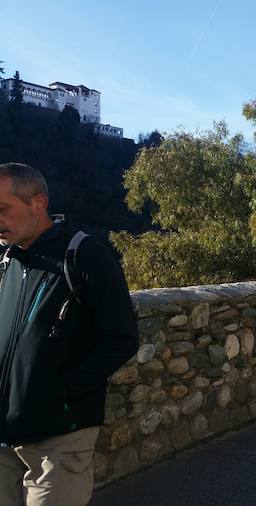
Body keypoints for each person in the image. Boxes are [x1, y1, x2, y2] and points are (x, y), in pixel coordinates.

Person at [0, 163, 138, 505]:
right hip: (5, 438)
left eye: (3, 209)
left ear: (38, 203)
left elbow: (121, 339)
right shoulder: (8, 261)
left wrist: (61, 392)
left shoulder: (85, 256)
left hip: (58, 442)